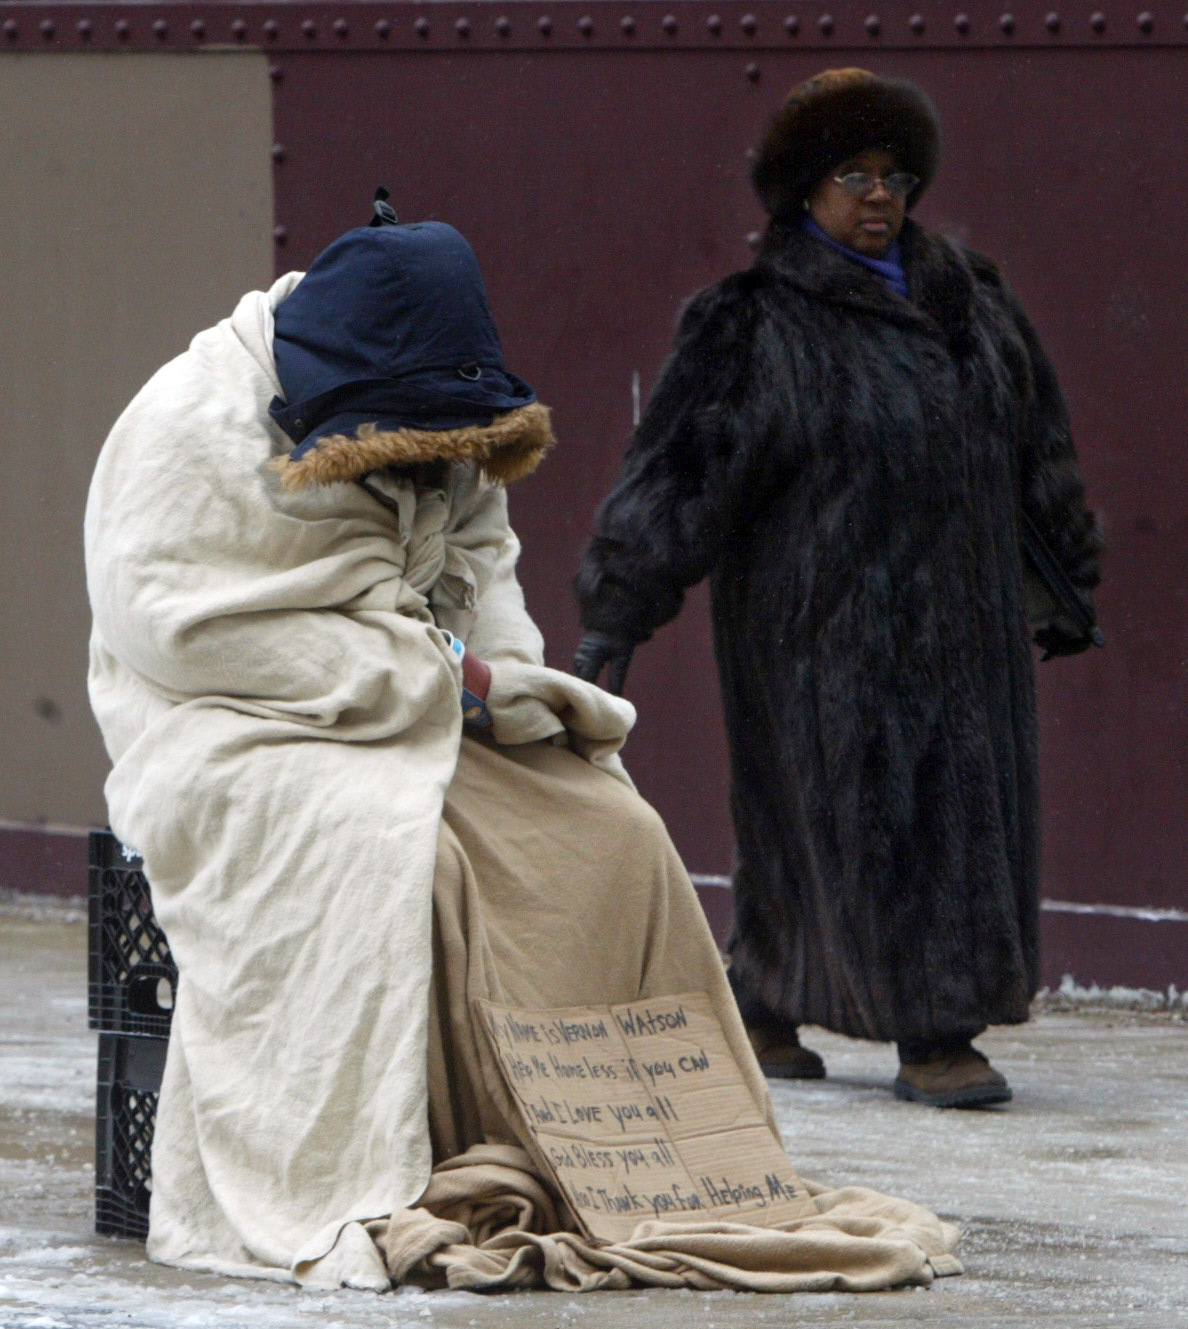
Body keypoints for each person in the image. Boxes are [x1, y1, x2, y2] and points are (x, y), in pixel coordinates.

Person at [84, 200, 962, 1290]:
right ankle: (427, 1138)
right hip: (231, 717)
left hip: (424, 694)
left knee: (610, 830)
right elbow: (183, 634)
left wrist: (507, 693)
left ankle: (628, 1157)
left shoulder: (449, 417)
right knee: (396, 848)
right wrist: (440, 679)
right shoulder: (187, 427)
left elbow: (483, 577)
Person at [573, 69, 1102, 1109]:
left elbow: (1037, 444)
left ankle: (770, 1002)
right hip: (818, 626)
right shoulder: (756, 320)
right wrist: (616, 616)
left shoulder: (971, 299)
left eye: (894, 177)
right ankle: (931, 1031)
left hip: (969, 618)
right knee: (844, 815)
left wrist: (1066, 578)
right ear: (802, 193)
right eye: (852, 176)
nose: (878, 198)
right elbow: (681, 470)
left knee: (938, 810)